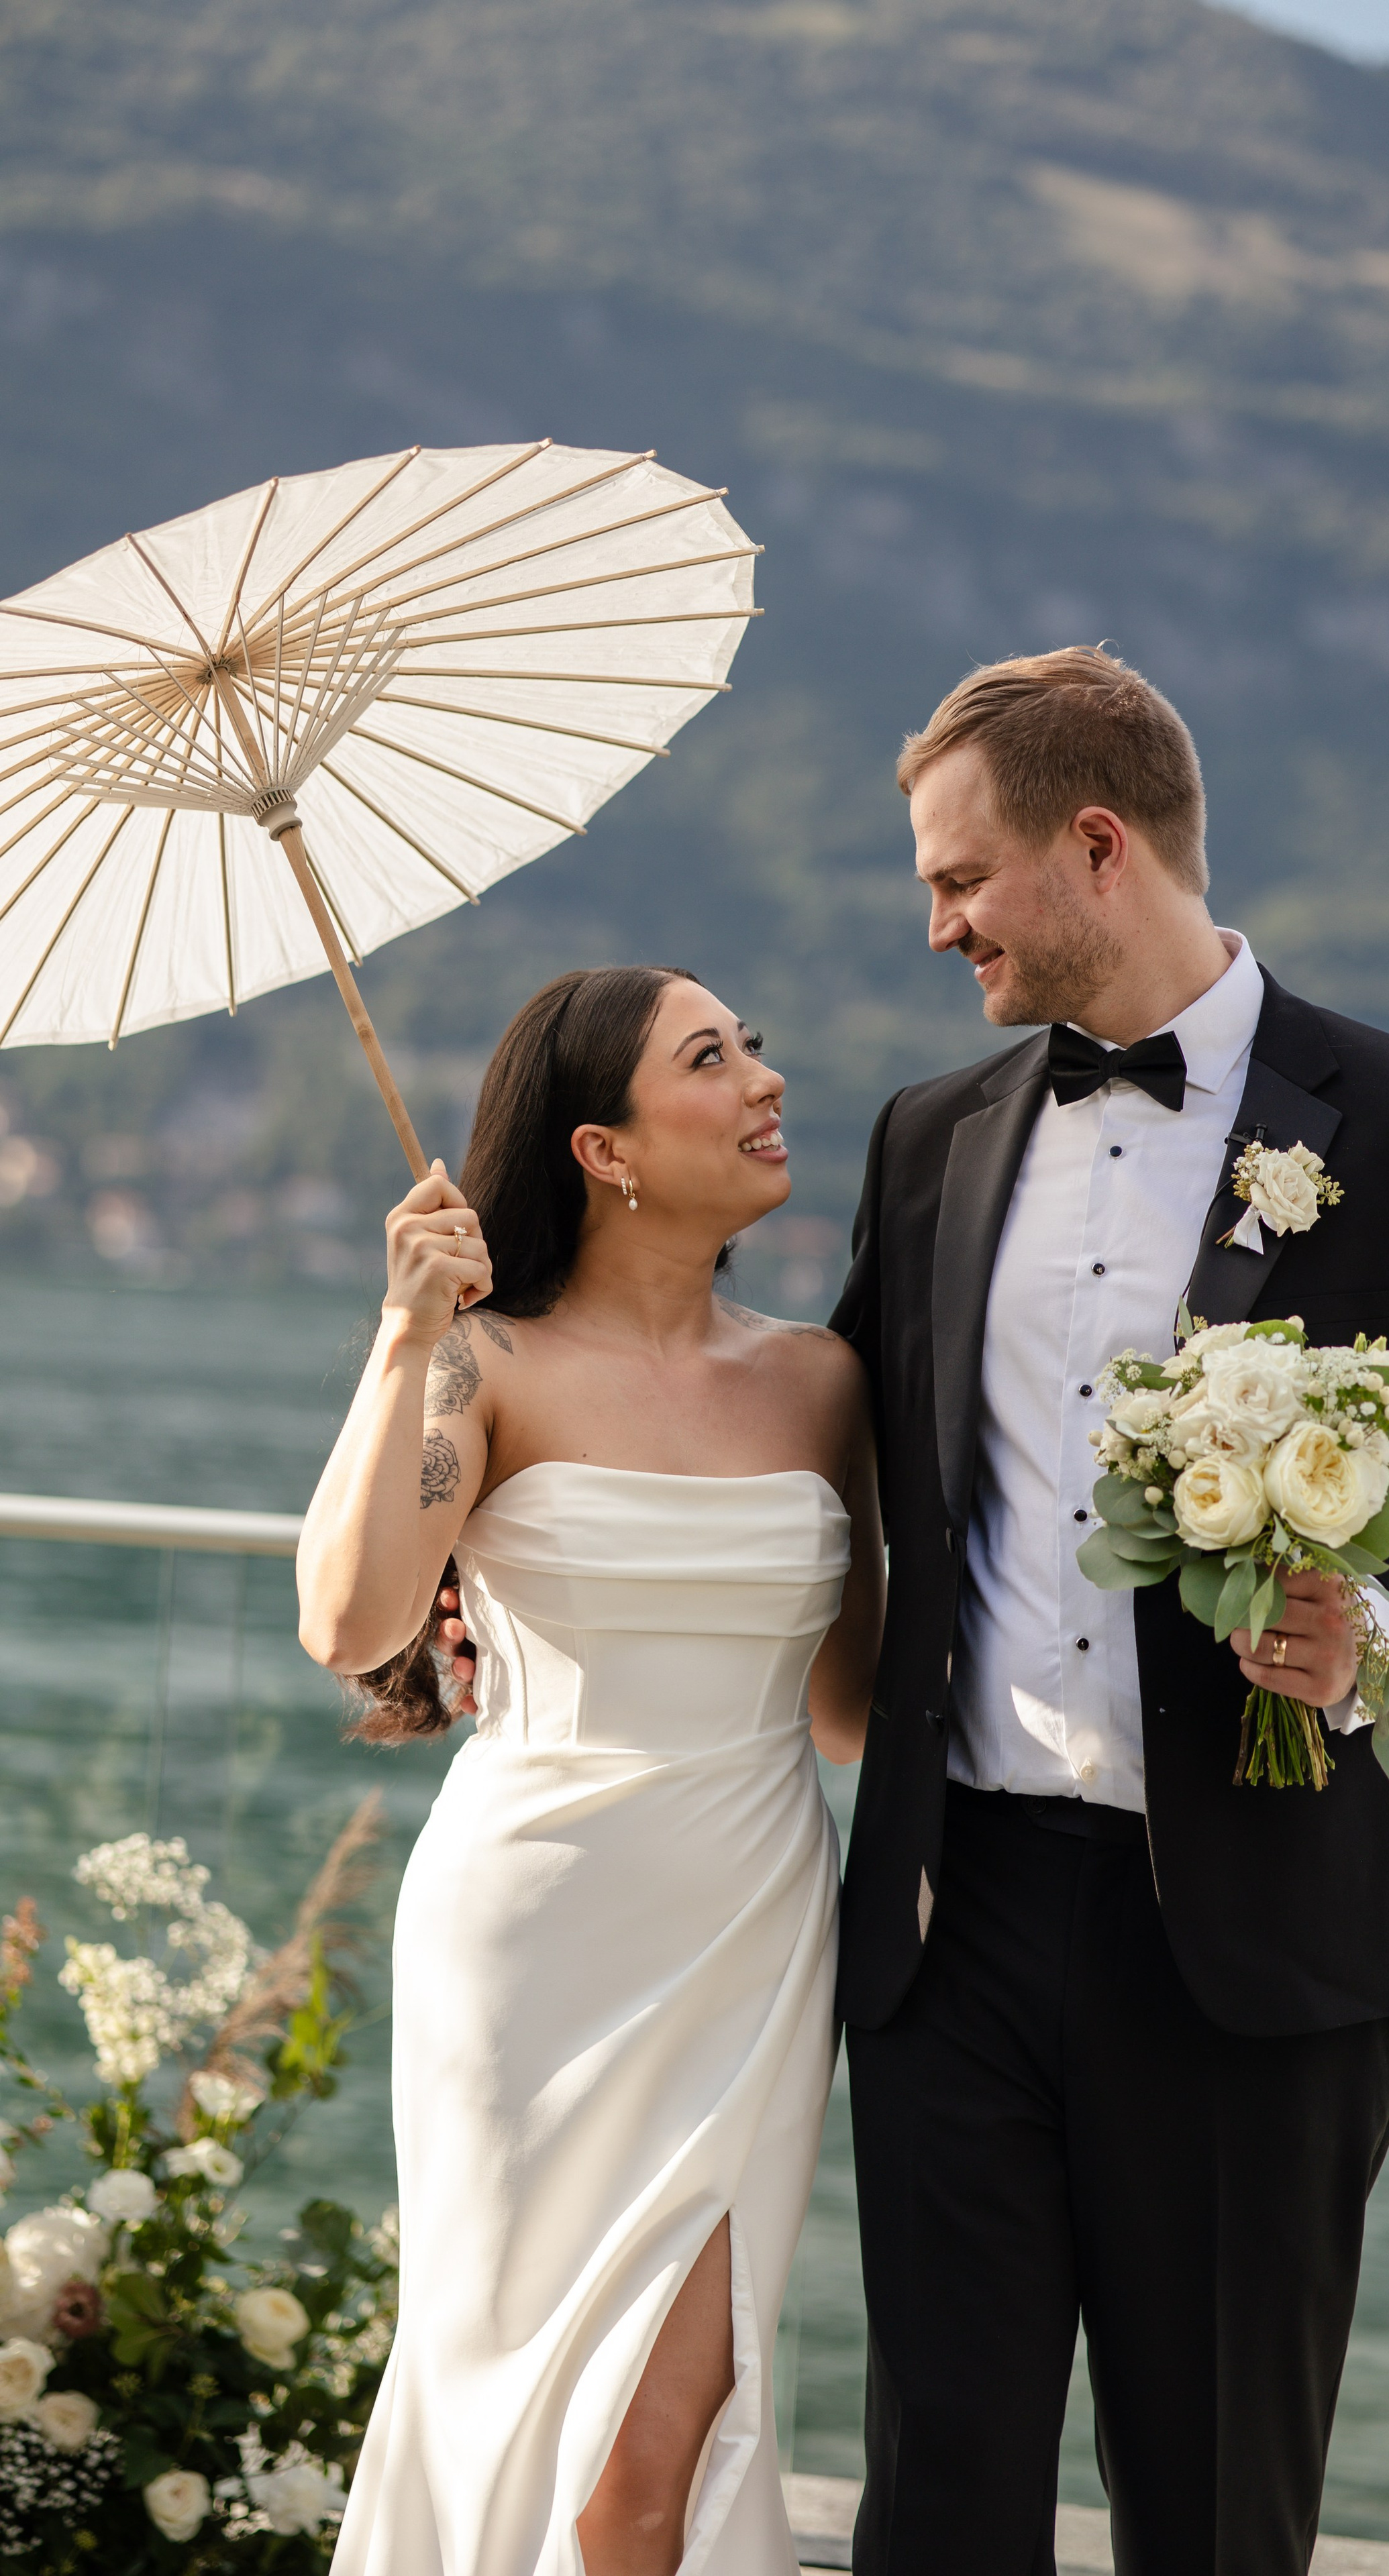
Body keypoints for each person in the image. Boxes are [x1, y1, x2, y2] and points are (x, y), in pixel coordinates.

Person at [826, 647, 1389, 2576]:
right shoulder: (927, 1135)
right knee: (938, 2514)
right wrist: (501, 1567)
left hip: (1268, 1938)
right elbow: (824, 1456)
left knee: (1215, 2518)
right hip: (957, 1925)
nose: (937, 928)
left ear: (1097, 846)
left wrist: (1386, 1633)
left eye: (960, 880)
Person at [296, 964, 882, 2576]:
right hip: (531, 1944)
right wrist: (409, 1329)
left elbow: (851, 1712)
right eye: (711, 1057)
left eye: (754, 1043)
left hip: (751, 1941)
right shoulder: (484, 1365)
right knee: (518, 2407)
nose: (764, 1078)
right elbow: (348, 1621)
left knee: (660, 2450)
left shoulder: (825, 1386)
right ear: (604, 1148)